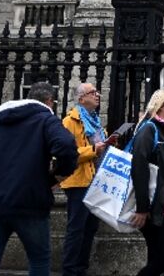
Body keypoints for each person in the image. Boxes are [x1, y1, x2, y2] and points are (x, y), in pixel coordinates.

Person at [0, 81, 77, 276]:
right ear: (49, 101)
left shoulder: (3, 121)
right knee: (39, 260)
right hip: (28, 202)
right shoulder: (46, 118)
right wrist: (57, 176)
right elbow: (66, 146)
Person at [60, 83, 116, 276]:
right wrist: (93, 150)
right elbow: (66, 153)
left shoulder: (95, 121)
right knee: (76, 228)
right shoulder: (70, 121)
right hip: (78, 182)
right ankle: (70, 270)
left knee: (90, 227)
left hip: (95, 180)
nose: (98, 95)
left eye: (97, 92)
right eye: (93, 93)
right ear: (81, 98)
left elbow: (100, 148)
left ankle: (81, 268)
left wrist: (108, 144)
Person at [129, 88, 164, 276]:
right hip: (152, 207)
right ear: (160, 107)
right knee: (162, 260)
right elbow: (139, 168)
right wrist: (142, 208)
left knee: (155, 258)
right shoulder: (148, 130)